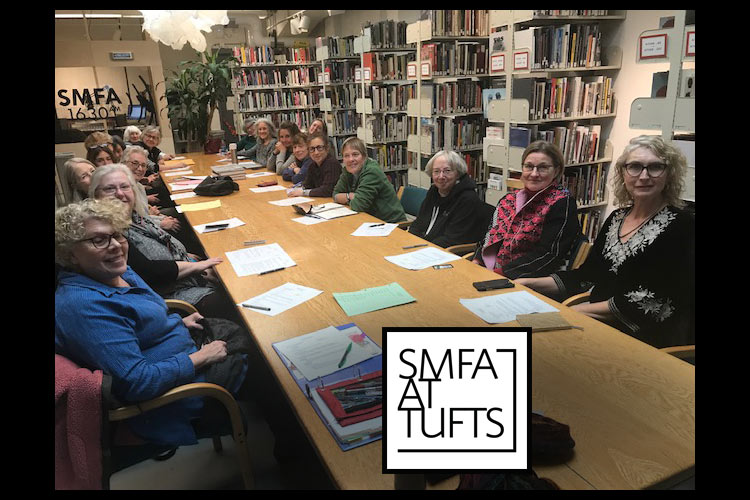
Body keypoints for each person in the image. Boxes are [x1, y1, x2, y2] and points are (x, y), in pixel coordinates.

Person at [54, 198, 245, 447]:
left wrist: (177, 322)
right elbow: (137, 383)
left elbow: (142, 315)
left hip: (182, 352)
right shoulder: (82, 306)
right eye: (99, 240)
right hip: (174, 396)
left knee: (250, 334)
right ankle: (292, 455)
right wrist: (201, 358)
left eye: (117, 235)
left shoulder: (116, 272)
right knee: (271, 370)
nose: (115, 246)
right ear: (70, 254)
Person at [517, 135, 695, 348]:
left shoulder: (682, 225)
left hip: (643, 336)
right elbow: (588, 275)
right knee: (522, 331)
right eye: (635, 167)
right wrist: (529, 282)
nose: (644, 176)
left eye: (655, 167)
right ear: (623, 173)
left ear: (669, 174)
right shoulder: (617, 218)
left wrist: (574, 312)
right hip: (595, 319)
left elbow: (655, 300)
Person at [88, 164, 234, 320]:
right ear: (96, 196)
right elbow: (148, 272)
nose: (119, 193)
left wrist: (195, 264)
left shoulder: (135, 217)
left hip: (189, 276)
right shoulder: (109, 232)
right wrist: (197, 267)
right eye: (110, 189)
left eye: (125, 187)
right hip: (168, 297)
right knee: (232, 300)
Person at [472, 141, 580, 279]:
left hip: (526, 280)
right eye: (529, 166)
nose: (534, 174)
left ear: (557, 171)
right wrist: (476, 261)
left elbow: (548, 255)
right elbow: (488, 237)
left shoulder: (562, 203)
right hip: (491, 273)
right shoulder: (508, 200)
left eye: (543, 168)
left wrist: (499, 275)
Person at [408, 150, 485, 248]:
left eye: (447, 171)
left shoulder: (468, 199)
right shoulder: (434, 191)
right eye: (436, 171)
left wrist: (422, 247)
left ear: (458, 173)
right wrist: (409, 241)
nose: (441, 176)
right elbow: (418, 223)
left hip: (447, 253)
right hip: (425, 246)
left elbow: (452, 239)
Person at [332, 137, 406, 223]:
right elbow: (335, 195)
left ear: (364, 156)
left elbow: (358, 205)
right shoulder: (347, 170)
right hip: (367, 220)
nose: (351, 159)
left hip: (390, 224)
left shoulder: (372, 171)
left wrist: (348, 197)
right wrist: (350, 196)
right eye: (346, 156)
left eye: (355, 154)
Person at [286, 132, 342, 198]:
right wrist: (297, 187)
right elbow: (308, 185)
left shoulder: (332, 164)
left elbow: (327, 190)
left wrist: (303, 192)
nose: (316, 152)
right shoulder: (312, 165)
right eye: (312, 149)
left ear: (327, 148)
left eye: (319, 148)